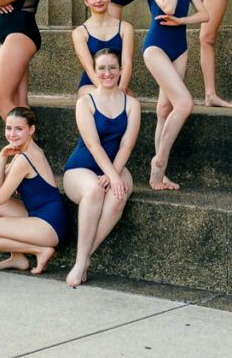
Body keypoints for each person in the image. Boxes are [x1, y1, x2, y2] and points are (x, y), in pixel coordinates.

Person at [63, 48, 141, 288]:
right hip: (81, 167)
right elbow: (92, 144)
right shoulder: (85, 102)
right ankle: (80, 261)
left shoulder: (132, 104)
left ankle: (84, 258)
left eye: (112, 68)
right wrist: (111, 175)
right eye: (101, 68)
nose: (107, 73)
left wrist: (115, 175)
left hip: (115, 165)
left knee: (119, 195)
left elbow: (127, 145)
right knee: (95, 191)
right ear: (94, 72)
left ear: (120, 70)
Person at [142, 0, 209, 190]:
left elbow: (203, 15)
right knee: (184, 103)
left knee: (165, 109)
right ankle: (158, 162)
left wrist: (183, 20)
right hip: (157, 46)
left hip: (179, 47)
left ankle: (159, 175)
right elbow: (166, 7)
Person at [0, 107, 67, 274]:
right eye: (9, 128)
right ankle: (17, 257)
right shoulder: (22, 152)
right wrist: (2, 157)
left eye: (19, 129)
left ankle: (39, 250)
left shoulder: (26, 158)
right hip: (39, 215)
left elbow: (1, 197)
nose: (12, 134)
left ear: (31, 130)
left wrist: (5, 162)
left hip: (49, 225)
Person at [71, 0, 134, 96]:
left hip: (118, 83)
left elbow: (127, 63)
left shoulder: (125, 28)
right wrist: (106, 92)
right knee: (97, 97)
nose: (98, 0)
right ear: (86, 2)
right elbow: (89, 67)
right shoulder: (79, 32)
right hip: (91, 84)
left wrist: (122, 88)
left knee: (132, 101)